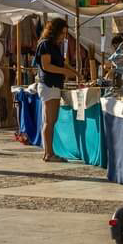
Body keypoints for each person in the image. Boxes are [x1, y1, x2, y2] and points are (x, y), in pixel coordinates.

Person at [34, 19, 81, 162]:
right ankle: (49, 154)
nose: (64, 36)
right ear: (56, 31)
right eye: (63, 33)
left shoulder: (53, 45)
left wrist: (75, 72)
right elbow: (46, 66)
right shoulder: (46, 44)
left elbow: (62, 63)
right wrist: (66, 72)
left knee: (49, 121)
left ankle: (48, 153)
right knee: (49, 121)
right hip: (49, 85)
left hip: (52, 86)